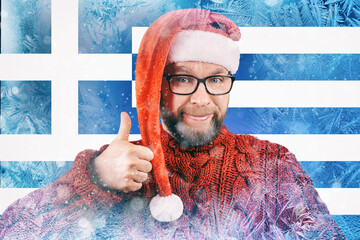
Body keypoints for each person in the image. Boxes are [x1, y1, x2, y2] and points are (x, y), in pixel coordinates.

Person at [0, 9, 344, 239]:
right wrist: (94, 180)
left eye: (218, 79)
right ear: (154, 84)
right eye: (182, 79)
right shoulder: (118, 169)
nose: (201, 98)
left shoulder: (272, 166)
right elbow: (11, 231)